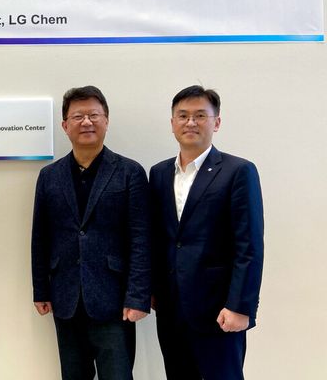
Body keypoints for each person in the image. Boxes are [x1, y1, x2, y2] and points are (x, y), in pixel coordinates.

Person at [31, 85, 151, 380]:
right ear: (65, 125)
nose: (86, 122)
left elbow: (141, 239)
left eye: (94, 115)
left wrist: (137, 296)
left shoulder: (130, 172)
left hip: (115, 300)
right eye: (78, 116)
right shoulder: (49, 176)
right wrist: (40, 289)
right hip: (66, 298)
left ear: (106, 121)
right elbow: (40, 238)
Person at [149, 85, 264, 380]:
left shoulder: (238, 171)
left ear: (217, 122)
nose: (191, 122)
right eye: (183, 115)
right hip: (171, 308)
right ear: (172, 123)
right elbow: (158, 238)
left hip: (219, 310)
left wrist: (240, 306)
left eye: (200, 115)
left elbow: (249, 245)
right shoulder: (159, 173)